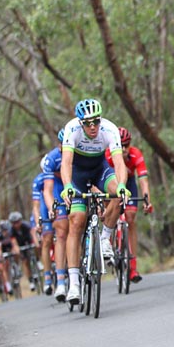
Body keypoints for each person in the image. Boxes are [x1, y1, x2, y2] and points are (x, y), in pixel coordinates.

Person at [60, 98, 130, 305]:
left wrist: (121, 185)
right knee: (76, 221)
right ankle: (73, 283)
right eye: (88, 123)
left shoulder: (109, 129)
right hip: (78, 176)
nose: (93, 127)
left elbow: (118, 163)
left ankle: (105, 238)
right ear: (81, 122)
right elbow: (66, 163)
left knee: (118, 194)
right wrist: (67, 186)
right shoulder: (71, 128)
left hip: (100, 170)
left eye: (96, 122)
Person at [105, 126, 153, 283]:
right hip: (111, 183)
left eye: (127, 145)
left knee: (131, 218)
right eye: (121, 145)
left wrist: (147, 200)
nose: (124, 149)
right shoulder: (107, 155)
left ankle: (133, 267)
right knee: (111, 211)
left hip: (129, 184)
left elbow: (143, 180)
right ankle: (109, 244)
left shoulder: (136, 154)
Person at [42, 128, 70, 301]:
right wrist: (52, 206)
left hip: (75, 184)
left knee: (78, 224)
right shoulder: (52, 158)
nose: (63, 146)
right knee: (60, 232)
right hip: (59, 189)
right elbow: (48, 190)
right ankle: (60, 281)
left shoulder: (79, 152)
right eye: (61, 143)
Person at [31, 170, 55, 295]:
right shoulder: (39, 180)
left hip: (58, 202)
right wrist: (37, 222)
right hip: (45, 208)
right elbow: (36, 206)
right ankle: (47, 277)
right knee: (46, 240)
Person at [8, 211, 40, 292]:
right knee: (25, 262)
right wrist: (16, 248)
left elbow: (32, 233)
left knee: (36, 246)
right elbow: (13, 241)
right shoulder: (11, 231)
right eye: (14, 223)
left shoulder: (26, 225)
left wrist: (36, 242)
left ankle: (38, 260)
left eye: (18, 222)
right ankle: (30, 280)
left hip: (28, 240)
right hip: (20, 244)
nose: (16, 224)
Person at [0, 221, 16, 295]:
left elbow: (14, 243)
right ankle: (8, 285)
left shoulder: (11, 232)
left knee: (16, 253)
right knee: (4, 266)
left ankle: (16, 267)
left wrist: (15, 250)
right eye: (4, 230)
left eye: (7, 230)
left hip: (9, 246)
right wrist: (1, 256)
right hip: (2, 249)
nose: (6, 232)